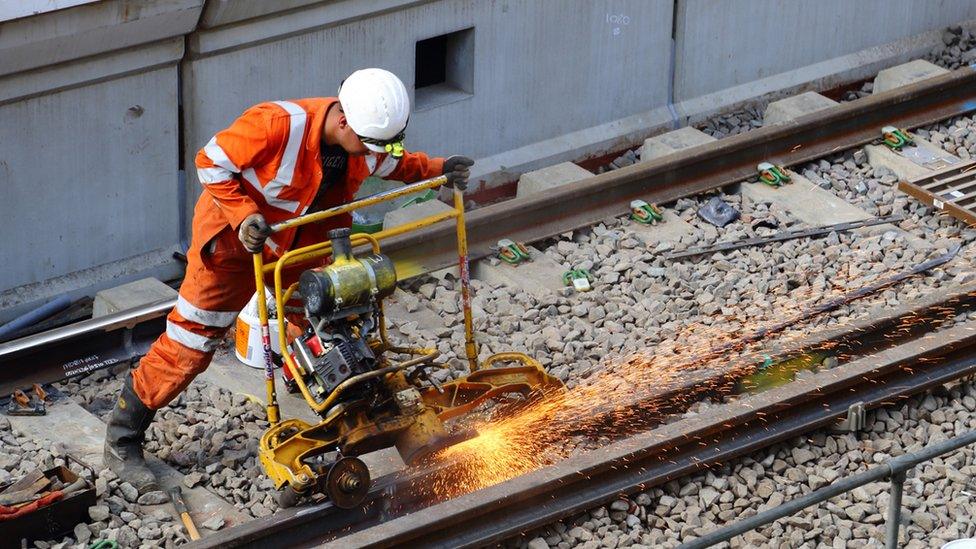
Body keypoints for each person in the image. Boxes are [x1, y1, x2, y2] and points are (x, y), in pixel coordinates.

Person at [103, 68, 474, 493]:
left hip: (304, 242)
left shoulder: (366, 138)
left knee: (327, 314)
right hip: (234, 245)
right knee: (193, 340)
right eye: (369, 145)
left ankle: (336, 394)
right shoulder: (277, 125)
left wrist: (439, 168)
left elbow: (393, 162)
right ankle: (122, 436)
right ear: (343, 122)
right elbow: (210, 162)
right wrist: (244, 216)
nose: (372, 156)